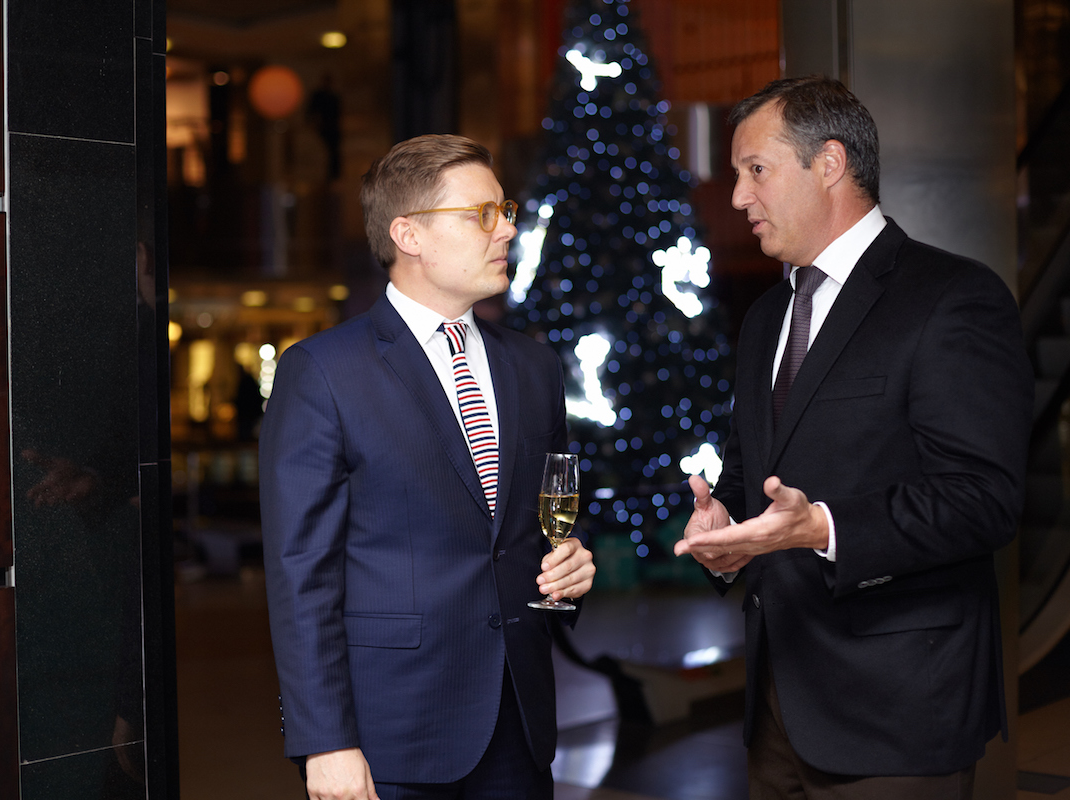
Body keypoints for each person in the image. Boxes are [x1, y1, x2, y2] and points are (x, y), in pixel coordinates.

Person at [674, 76, 1032, 798]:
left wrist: (824, 528)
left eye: (756, 170)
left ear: (830, 163)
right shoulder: (766, 317)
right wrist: (724, 532)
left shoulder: (952, 297)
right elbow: (752, 481)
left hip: (899, 714)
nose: (738, 196)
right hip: (775, 709)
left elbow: (984, 499)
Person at [260, 133, 596, 800]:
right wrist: (325, 740)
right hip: (393, 736)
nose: (507, 229)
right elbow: (301, 576)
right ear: (408, 234)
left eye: (506, 210)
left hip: (519, 726)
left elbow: (533, 529)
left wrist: (571, 569)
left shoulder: (534, 366)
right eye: (482, 214)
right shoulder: (322, 372)